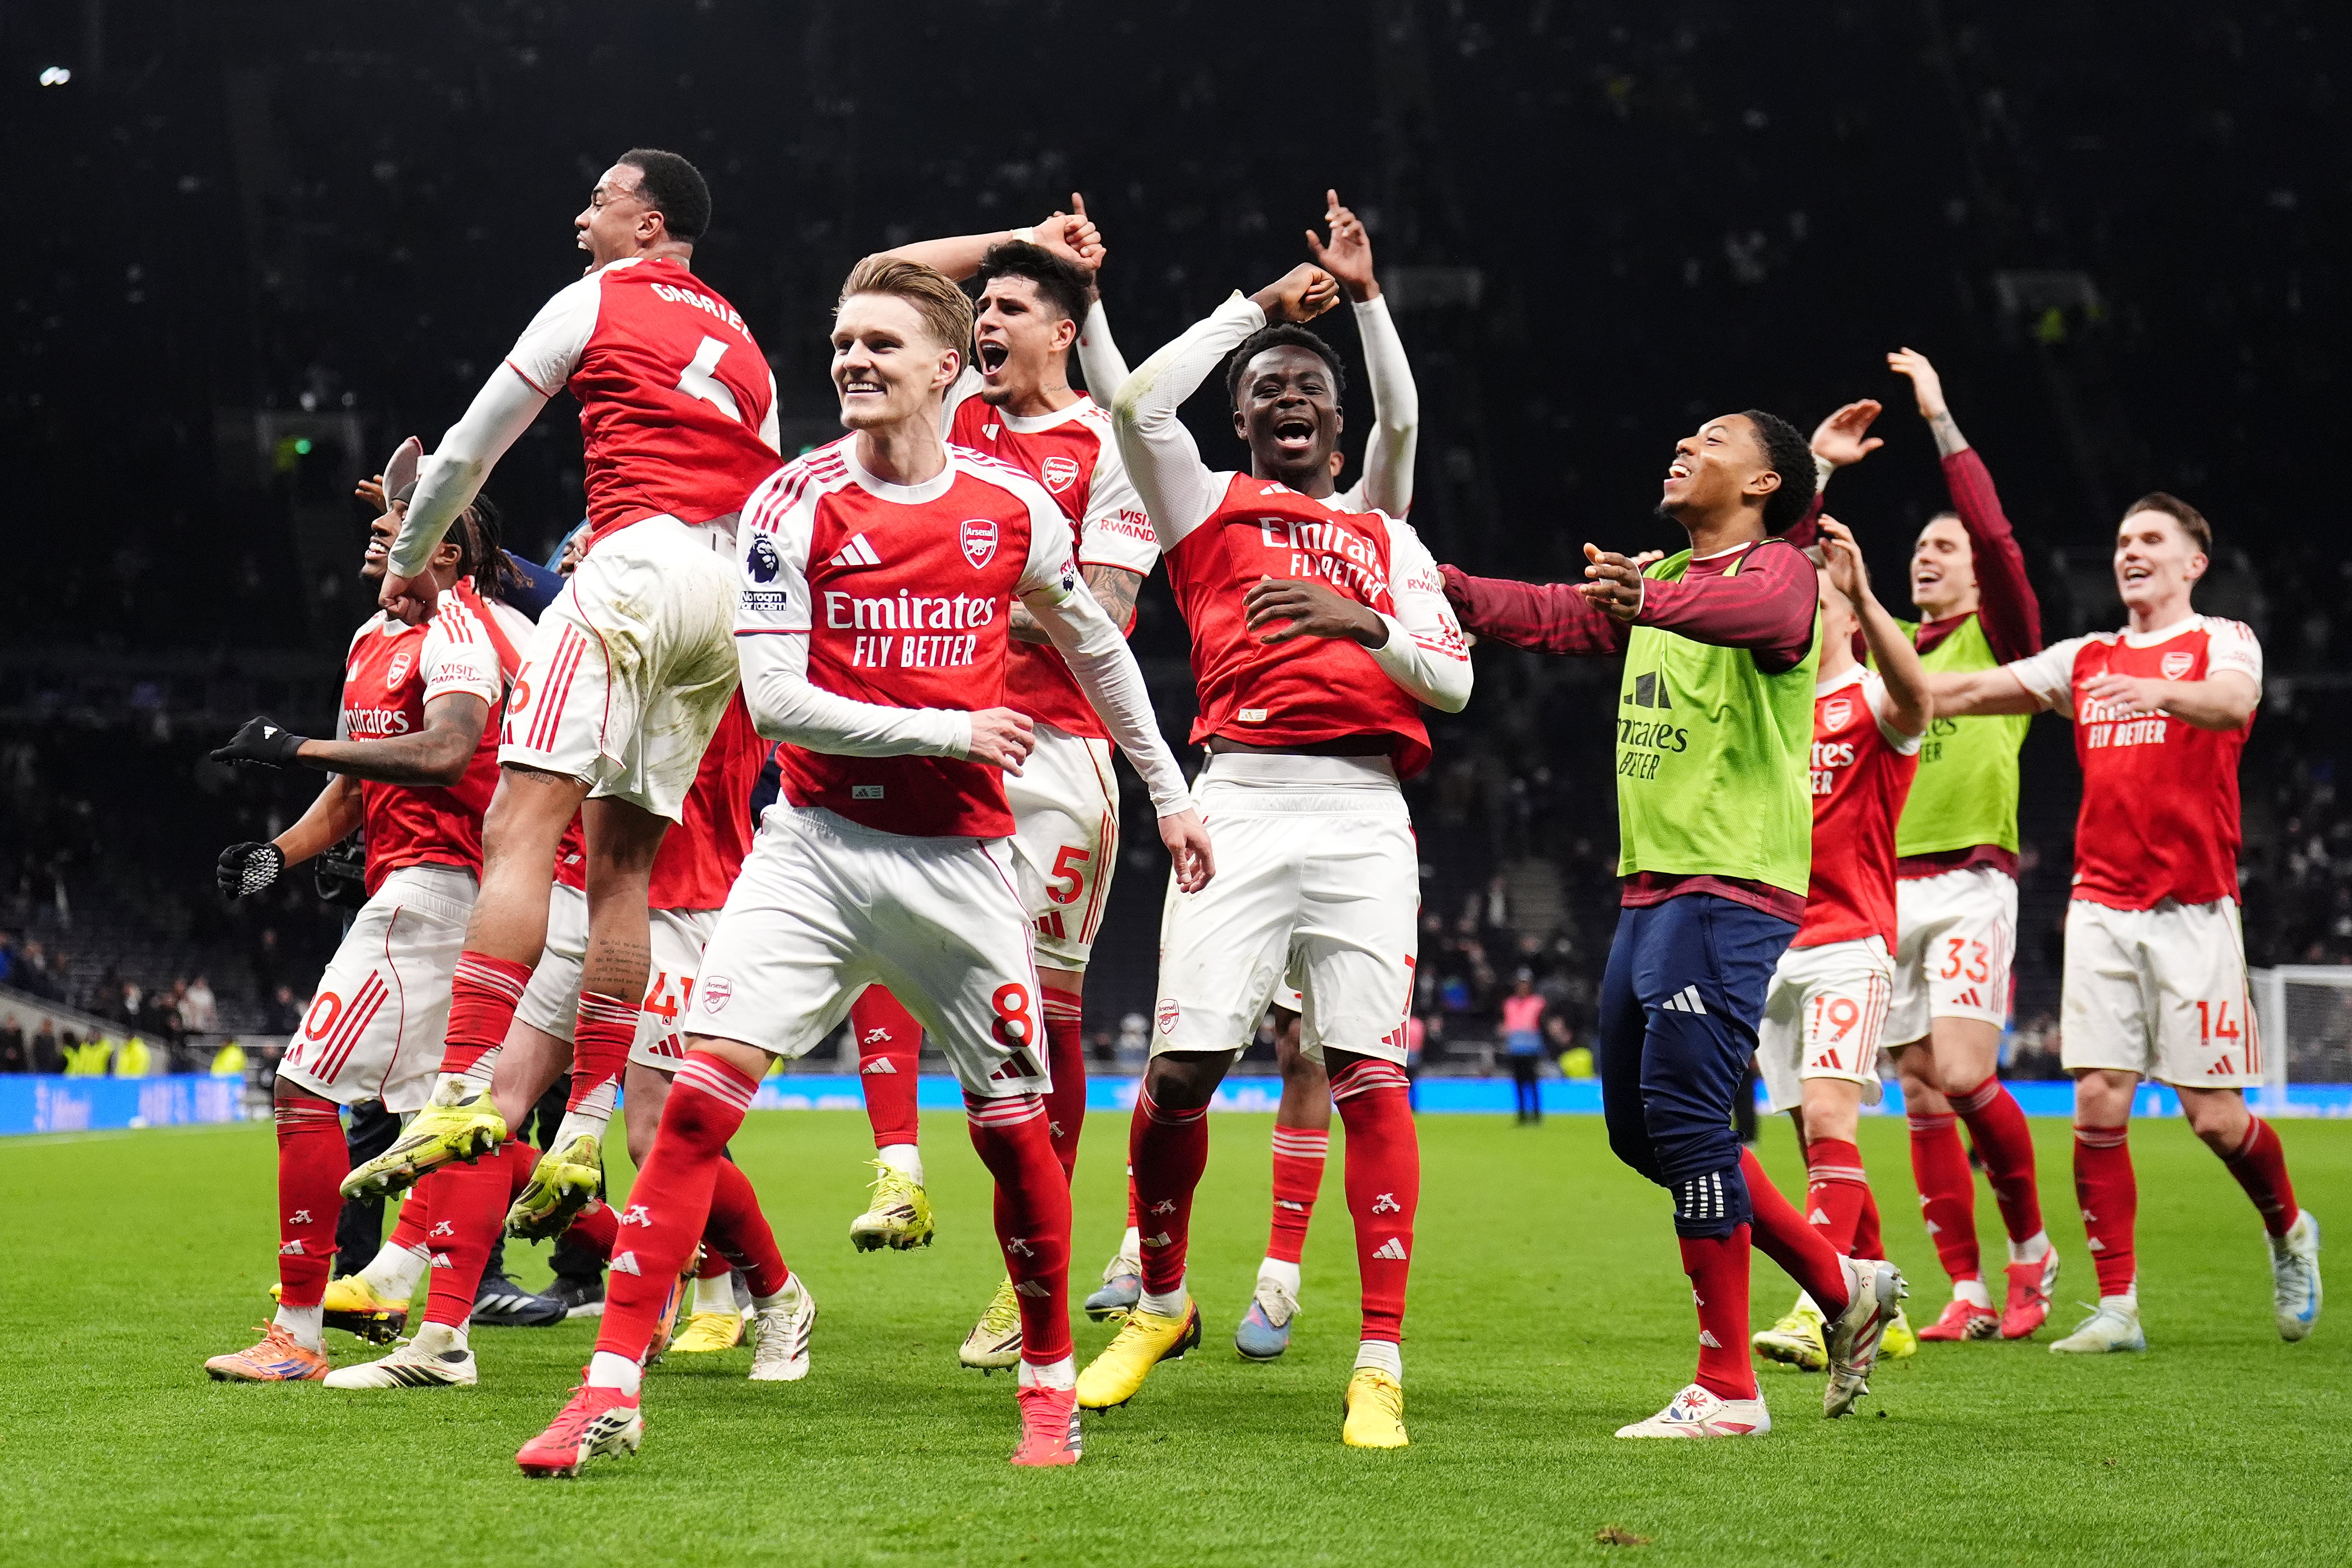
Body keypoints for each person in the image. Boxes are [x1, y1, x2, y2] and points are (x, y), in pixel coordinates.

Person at [513, 255, 1210, 1477]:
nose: (851, 361)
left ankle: (1045, 1384)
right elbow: (777, 703)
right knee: (689, 1106)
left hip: (959, 864)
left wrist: (1168, 793)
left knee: (1011, 1136)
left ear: (945, 368)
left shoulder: (1010, 508)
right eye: (841, 342)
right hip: (816, 854)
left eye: (880, 343)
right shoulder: (793, 502)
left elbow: (1098, 648)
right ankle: (608, 1387)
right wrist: (951, 728)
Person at [1440, 409, 1905, 1438]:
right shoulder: (1664, 590)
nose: (1685, 445)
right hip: (1651, 888)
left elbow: (1772, 618)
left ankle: (1730, 1389)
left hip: (1731, 884)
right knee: (1642, 1134)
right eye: (1685, 434)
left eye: (1715, 439)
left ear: (1764, 486)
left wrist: (1651, 591)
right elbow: (1553, 615)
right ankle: (1845, 1285)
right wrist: (1443, 587)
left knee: (1692, 1125)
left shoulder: (1785, 575)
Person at [1070, 258, 1469, 1451]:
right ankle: (1158, 1298)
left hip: (1359, 815)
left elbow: (1449, 679)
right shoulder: (1201, 506)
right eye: (1265, 390)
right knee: (1178, 1076)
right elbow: (1140, 403)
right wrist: (1254, 315)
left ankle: (1379, 1360)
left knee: (1366, 1076)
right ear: (1239, 419)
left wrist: (1367, 624)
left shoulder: (1383, 538)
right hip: (1236, 795)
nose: (1288, 396)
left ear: (1337, 422)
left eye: (1307, 386)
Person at [341, 149, 781, 1230]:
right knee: (626, 865)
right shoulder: (749, 346)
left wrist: (414, 549)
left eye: (599, 199)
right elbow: (773, 506)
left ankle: (456, 1090)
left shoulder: (596, 299)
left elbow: (469, 449)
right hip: (727, 598)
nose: (580, 213)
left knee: (524, 817)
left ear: (650, 224)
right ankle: (582, 1135)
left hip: (632, 566)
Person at [837, 205, 1151, 1378]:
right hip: (944, 735)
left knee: (1041, 1017)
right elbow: (891, 271)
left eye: (1010, 310)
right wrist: (1021, 239)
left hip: (1062, 757)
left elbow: (1107, 613)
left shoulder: (1110, 444)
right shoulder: (952, 414)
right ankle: (913, 1178)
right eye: (978, 314)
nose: (983, 324)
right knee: (904, 962)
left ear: (1062, 333)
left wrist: (956, 589)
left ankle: (1038, 1274)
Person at [1926, 493, 2321, 1353]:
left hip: (2195, 910)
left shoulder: (2222, 641)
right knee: (2098, 1102)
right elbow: (1969, 687)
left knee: (2214, 1119)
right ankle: (2118, 1308)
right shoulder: (2086, 657)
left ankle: (2290, 1231)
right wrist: (1889, 688)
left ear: (2193, 563)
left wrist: (2155, 690)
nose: (2131, 553)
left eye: (2151, 540)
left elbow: (2230, 706)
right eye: (2122, 542)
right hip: (2100, 906)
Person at [201, 492, 531, 1383]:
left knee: (305, 1089)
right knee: (460, 1123)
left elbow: (444, 756)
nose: (374, 545)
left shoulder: (466, 636)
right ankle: (653, 1256)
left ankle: (299, 1331)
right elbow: (353, 790)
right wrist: (281, 852)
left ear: (448, 555)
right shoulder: (368, 642)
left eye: (396, 536)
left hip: (441, 893)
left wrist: (297, 747)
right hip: (417, 886)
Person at [1808, 349, 2057, 1341]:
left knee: (1959, 1073)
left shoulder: (2004, 636)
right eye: (1920, 546)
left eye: (1944, 547)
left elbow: (1997, 538)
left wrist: (1942, 420)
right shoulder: (1883, 652)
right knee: (1914, 1088)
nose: (1930, 554)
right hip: (1881, 889)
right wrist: (1818, 483)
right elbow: (1807, 590)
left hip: (1969, 881)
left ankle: (2030, 1248)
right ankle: (1965, 1287)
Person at [1747, 519, 1932, 1371]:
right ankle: (1883, 1303)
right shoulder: (1771, 714)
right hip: (1772, 950)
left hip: (1848, 943)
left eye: (1814, 604)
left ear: (1849, 619)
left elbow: (1919, 700)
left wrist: (1860, 591)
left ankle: (1812, 1303)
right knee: (1814, 1139)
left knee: (1829, 1118)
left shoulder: (1871, 704)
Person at [1502, 971, 1547, 1124]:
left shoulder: (1538, 1002)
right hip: (1515, 1047)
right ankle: (1522, 1115)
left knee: (1532, 1082)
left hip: (1531, 1047)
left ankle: (1536, 1114)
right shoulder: (1510, 1003)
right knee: (1519, 1083)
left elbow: (1542, 1023)